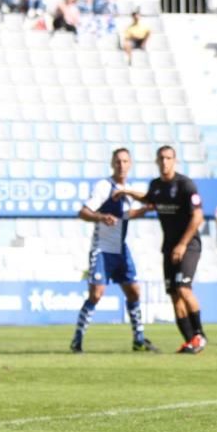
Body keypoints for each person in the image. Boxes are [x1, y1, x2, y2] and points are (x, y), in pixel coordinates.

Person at [114, 146, 208, 354]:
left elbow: (198, 216)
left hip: (189, 245)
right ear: (157, 161)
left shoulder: (185, 185)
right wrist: (128, 191)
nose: (164, 162)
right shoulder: (156, 186)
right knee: (174, 295)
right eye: (161, 158)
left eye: (168, 158)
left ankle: (200, 335)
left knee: (184, 289)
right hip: (168, 248)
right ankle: (190, 341)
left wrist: (183, 244)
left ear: (174, 160)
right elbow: (149, 199)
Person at [70, 148, 159, 354]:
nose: (121, 165)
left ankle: (138, 339)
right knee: (97, 294)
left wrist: (144, 211)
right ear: (112, 163)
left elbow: (125, 216)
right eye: (118, 161)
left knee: (134, 291)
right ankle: (77, 339)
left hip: (120, 249)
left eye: (125, 161)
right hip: (102, 249)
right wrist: (101, 217)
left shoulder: (128, 190)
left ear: (130, 164)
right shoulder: (104, 186)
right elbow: (83, 212)